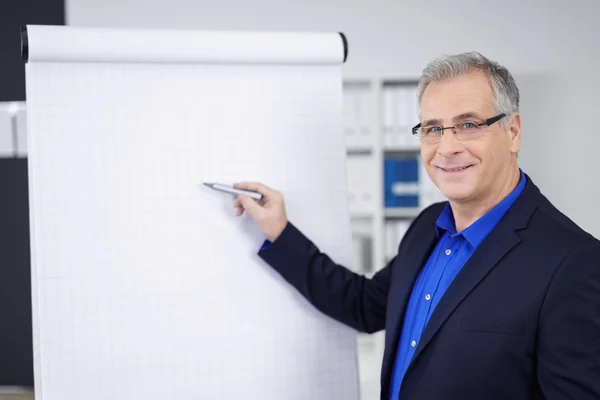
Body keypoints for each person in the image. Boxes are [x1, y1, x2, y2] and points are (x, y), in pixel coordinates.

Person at [232, 52, 600, 400]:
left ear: (513, 131)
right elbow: (364, 306)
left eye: (468, 125)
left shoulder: (573, 263)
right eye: (432, 129)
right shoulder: (428, 226)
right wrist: (279, 232)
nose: (446, 147)